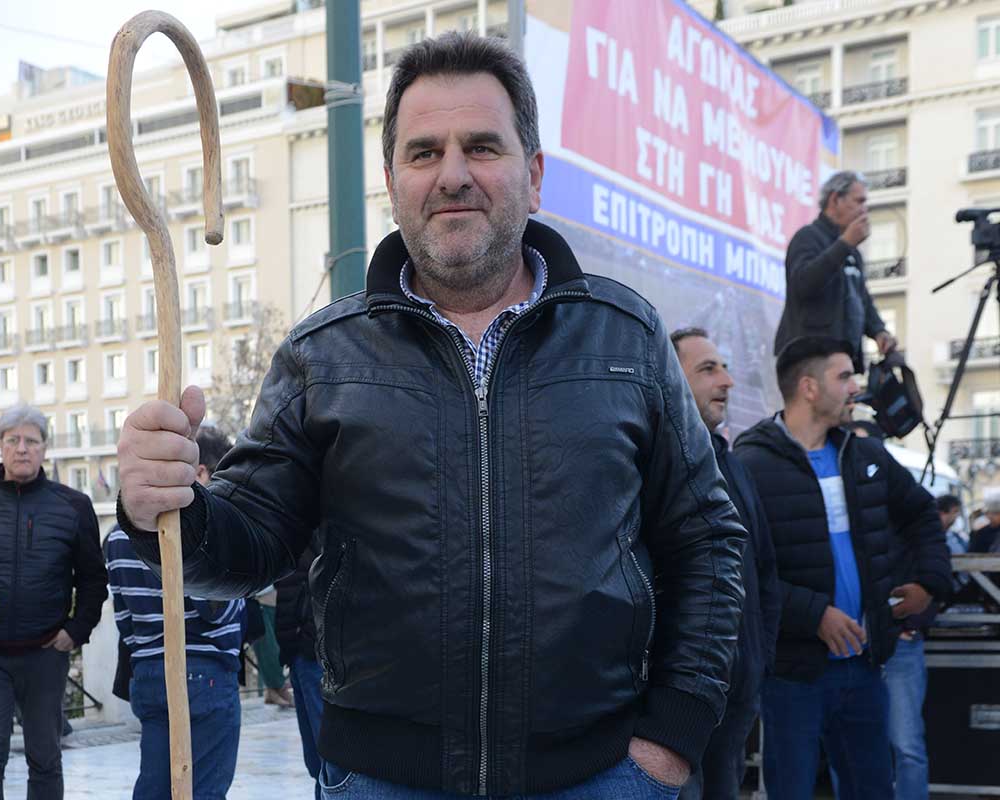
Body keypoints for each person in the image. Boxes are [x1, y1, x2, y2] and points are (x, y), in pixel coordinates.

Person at [116, 32, 747, 799]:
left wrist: (672, 737)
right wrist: (168, 508)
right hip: (381, 780)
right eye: (424, 153)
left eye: (481, 146)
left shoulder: (626, 337)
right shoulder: (323, 356)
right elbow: (252, 541)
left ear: (533, 175)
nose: (452, 174)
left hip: (599, 776)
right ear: (392, 181)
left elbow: (706, 540)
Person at [734, 337, 952, 800]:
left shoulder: (865, 455)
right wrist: (814, 614)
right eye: (845, 376)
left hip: (864, 667)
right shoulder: (750, 465)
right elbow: (741, 571)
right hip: (792, 674)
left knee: (871, 788)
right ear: (809, 388)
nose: (856, 387)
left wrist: (930, 582)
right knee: (790, 790)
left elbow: (922, 514)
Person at [0, 403, 108, 800]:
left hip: (45, 654)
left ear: (44, 448)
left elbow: (93, 579)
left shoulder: (73, 505)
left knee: (45, 756)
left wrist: (76, 631)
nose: (22, 448)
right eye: (13, 440)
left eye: (31, 441)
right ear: (0, 446)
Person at [104, 425, 245, 800]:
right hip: (204, 669)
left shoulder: (118, 533)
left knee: (154, 787)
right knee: (205, 790)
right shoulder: (203, 528)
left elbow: (124, 619)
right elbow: (217, 610)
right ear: (200, 472)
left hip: (148, 670)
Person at [671, 328, 781, 800]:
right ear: (671, 377)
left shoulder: (731, 464)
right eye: (708, 369)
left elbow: (765, 569)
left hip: (737, 696)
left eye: (725, 368)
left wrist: (757, 660)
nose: (728, 381)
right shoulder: (651, 460)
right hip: (679, 704)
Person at [774, 171, 897, 373]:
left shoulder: (852, 251)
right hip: (809, 359)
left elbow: (862, 299)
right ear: (835, 199)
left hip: (842, 360)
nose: (864, 210)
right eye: (859, 201)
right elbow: (802, 284)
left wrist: (879, 331)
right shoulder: (807, 237)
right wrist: (844, 244)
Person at [883, 491, 961, 800]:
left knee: (904, 744)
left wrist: (910, 626)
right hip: (870, 641)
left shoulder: (914, 530)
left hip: (892, 642)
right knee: (873, 744)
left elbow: (935, 582)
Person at [274, 545, 323, 798]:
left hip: (314, 653)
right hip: (298, 652)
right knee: (316, 762)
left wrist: (309, 638)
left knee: (328, 761)